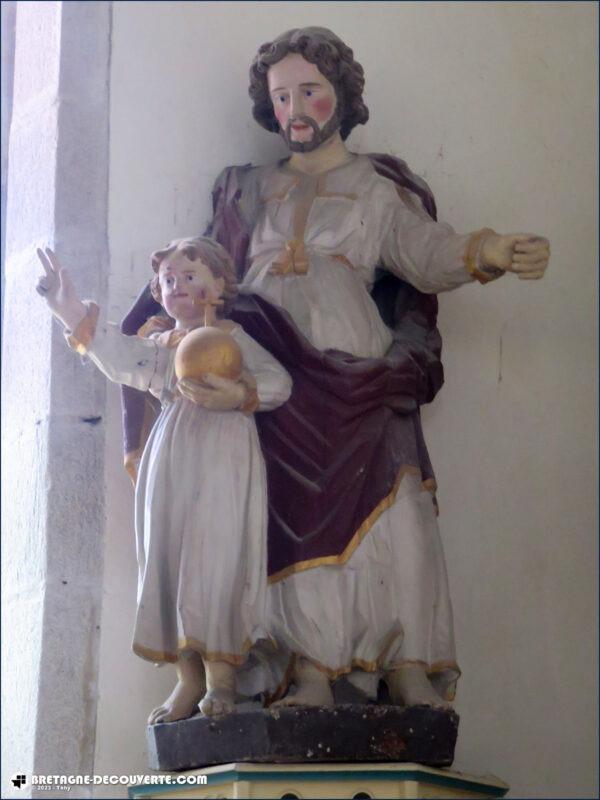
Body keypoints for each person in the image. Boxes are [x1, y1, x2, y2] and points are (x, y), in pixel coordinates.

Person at [120, 27, 550, 709]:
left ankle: (406, 661)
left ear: (341, 97)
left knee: (395, 502)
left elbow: (425, 252)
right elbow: (197, 267)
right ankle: (307, 667)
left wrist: (489, 249)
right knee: (277, 511)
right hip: (265, 364)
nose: (296, 107)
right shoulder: (247, 190)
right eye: (282, 94)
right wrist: (154, 330)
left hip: (358, 370)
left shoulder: (377, 188)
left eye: (310, 91)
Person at [35, 237, 292, 723]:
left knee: (216, 559)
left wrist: (239, 393)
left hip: (225, 454)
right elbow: (114, 355)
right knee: (167, 556)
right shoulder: (161, 345)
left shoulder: (235, 337)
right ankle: (187, 680)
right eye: (169, 280)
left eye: (191, 276)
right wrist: (67, 307)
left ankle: (222, 680)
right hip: (171, 454)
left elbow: (280, 382)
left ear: (220, 284)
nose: (178, 287)